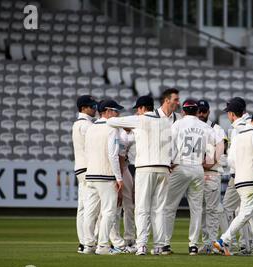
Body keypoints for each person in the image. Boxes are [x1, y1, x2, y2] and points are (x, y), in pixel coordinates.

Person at [107, 104, 172, 256]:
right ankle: (159, 246)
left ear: (143, 108)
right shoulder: (165, 122)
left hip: (145, 168)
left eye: (138, 108)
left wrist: (129, 126)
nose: (137, 111)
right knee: (160, 209)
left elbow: (111, 122)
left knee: (142, 208)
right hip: (164, 167)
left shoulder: (139, 119)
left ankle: (141, 244)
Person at [214, 111, 253, 258]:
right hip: (252, 181)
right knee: (245, 213)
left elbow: (230, 161)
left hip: (239, 180)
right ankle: (224, 240)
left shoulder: (238, 136)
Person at [163, 99, 216, 255]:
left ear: (184, 111)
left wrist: (170, 163)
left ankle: (165, 244)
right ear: (197, 111)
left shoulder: (177, 125)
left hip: (181, 166)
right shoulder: (206, 127)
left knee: (169, 207)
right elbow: (212, 154)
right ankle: (193, 245)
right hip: (198, 169)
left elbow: (169, 146)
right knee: (197, 209)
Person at [82, 99, 125, 255]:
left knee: (90, 211)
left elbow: (86, 152)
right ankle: (103, 246)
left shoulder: (91, 128)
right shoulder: (111, 129)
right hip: (106, 176)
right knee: (108, 212)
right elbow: (113, 155)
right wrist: (119, 178)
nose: (118, 114)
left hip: (91, 174)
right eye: (115, 111)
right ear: (107, 111)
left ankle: (88, 245)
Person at [221, 97, 253, 255]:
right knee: (246, 212)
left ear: (233, 112)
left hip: (240, 176)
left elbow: (235, 155)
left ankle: (233, 242)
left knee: (235, 211)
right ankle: (247, 244)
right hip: (247, 175)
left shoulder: (243, 126)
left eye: (228, 111)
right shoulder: (246, 124)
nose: (228, 115)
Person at [196, 99, 226, 254]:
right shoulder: (193, 127)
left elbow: (223, 145)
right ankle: (207, 242)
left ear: (208, 112)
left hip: (211, 173)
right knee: (200, 210)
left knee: (212, 210)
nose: (201, 114)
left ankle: (212, 243)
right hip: (197, 173)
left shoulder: (216, 128)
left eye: (204, 111)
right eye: (199, 111)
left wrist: (211, 162)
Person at [72, 95, 98, 253]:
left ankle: (83, 242)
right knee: (91, 207)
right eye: (91, 106)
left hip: (80, 168)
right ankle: (89, 242)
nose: (94, 108)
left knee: (82, 207)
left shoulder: (78, 124)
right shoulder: (87, 125)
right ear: (83, 108)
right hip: (89, 168)